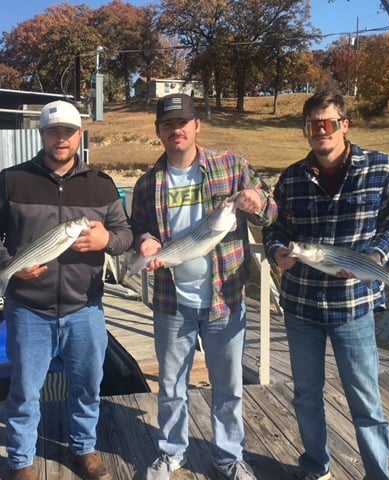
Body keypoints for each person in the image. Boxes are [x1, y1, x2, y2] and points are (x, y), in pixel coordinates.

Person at [0, 100, 132, 480]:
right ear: (42, 135)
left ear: (80, 135)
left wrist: (106, 240)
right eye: (53, 131)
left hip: (85, 308)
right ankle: (21, 460)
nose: (60, 139)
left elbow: (125, 236)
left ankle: (84, 448)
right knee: (26, 390)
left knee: (87, 386)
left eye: (68, 131)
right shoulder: (12, 179)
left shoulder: (101, 183)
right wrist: (8, 263)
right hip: (29, 306)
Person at [262, 90, 389, 480]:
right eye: (312, 126)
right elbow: (275, 229)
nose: (319, 132)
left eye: (327, 124)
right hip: (301, 307)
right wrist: (277, 252)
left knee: (365, 399)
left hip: (354, 306)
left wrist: (375, 258)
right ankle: (316, 466)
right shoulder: (291, 178)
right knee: (306, 395)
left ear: (344, 124)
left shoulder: (381, 168)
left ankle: (378, 474)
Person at [130, 93, 277, 480]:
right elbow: (138, 227)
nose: (176, 130)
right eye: (167, 124)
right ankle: (171, 452)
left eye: (183, 122)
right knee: (171, 385)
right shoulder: (148, 183)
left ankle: (228, 456)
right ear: (159, 132)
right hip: (170, 301)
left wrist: (257, 198)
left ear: (197, 126)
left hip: (225, 298)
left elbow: (271, 208)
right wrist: (144, 242)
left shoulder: (231, 166)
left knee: (228, 387)